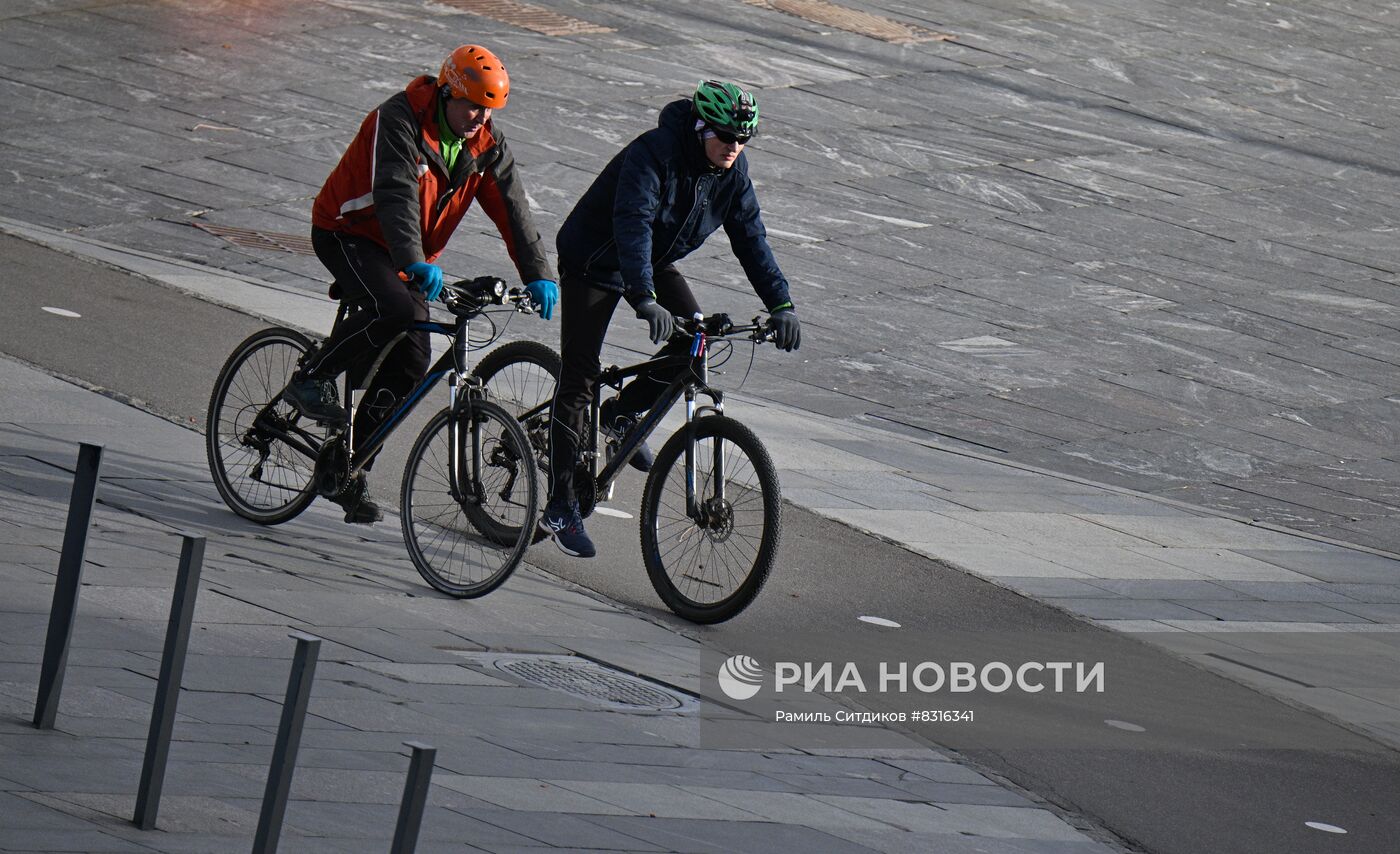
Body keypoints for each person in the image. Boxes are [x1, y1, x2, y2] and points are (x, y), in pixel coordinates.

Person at [284, 44, 558, 524]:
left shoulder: (485, 145)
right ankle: (311, 377)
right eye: (472, 104)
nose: (480, 117)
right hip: (348, 231)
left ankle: (349, 465)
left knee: (413, 360)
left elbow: (514, 213)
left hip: (407, 254)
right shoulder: (400, 119)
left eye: (489, 108)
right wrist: (413, 260)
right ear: (446, 92)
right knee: (394, 309)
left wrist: (538, 274)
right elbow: (394, 192)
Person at [541, 80, 801, 558]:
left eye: (744, 139)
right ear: (701, 127)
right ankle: (560, 505)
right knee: (579, 374)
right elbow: (632, 222)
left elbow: (751, 239)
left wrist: (781, 304)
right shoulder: (654, 153)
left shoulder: (732, 171)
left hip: (653, 261)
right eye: (725, 136)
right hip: (594, 260)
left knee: (695, 340)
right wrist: (643, 298)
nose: (734, 147)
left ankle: (619, 413)